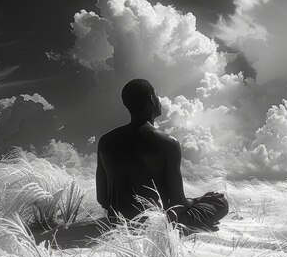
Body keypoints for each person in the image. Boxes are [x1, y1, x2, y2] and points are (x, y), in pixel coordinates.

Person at [96, 79, 228, 232]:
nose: (159, 101)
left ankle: (192, 225)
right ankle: (191, 226)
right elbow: (178, 203)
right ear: (151, 99)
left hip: (117, 224)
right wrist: (197, 200)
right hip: (157, 225)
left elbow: (103, 199)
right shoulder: (168, 143)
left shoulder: (105, 142)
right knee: (220, 202)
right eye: (157, 96)